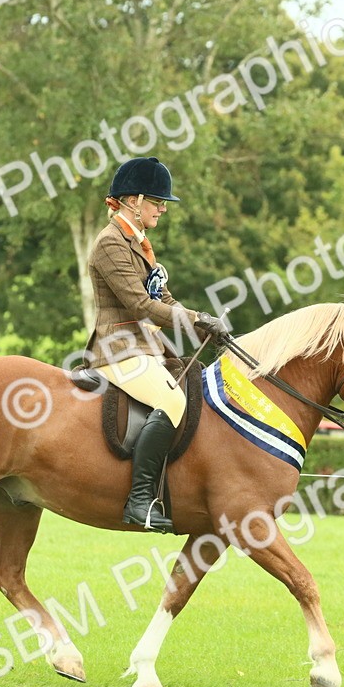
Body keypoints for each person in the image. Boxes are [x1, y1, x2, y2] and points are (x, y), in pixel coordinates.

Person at [86, 156, 227, 533]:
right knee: (171, 400)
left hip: (146, 347)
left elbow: (163, 298)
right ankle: (140, 501)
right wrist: (196, 319)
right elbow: (140, 305)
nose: (163, 209)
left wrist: (206, 329)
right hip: (118, 348)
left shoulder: (140, 245)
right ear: (133, 200)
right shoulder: (109, 244)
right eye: (157, 201)